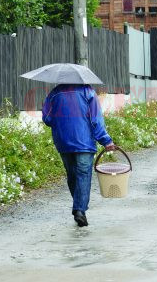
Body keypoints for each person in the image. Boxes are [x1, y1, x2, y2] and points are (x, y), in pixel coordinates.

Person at [42, 84, 116, 227]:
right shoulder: (88, 92)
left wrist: (62, 121)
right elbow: (95, 119)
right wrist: (105, 140)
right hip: (84, 142)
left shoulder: (55, 93)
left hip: (63, 142)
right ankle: (79, 210)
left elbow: (47, 119)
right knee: (83, 174)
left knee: (72, 175)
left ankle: (79, 208)